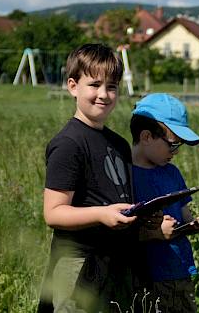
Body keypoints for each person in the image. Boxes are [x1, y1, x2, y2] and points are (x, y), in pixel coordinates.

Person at [38, 44, 140, 312]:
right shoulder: (69, 144)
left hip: (114, 264)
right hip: (77, 267)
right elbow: (54, 213)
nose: (104, 95)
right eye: (94, 85)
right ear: (73, 86)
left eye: (112, 87)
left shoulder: (118, 144)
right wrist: (102, 215)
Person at [130, 93, 199, 313]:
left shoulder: (172, 173)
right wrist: (155, 232)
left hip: (179, 269)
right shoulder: (124, 176)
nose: (175, 153)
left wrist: (194, 225)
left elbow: (184, 213)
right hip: (145, 276)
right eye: (173, 145)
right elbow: (119, 230)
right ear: (146, 137)